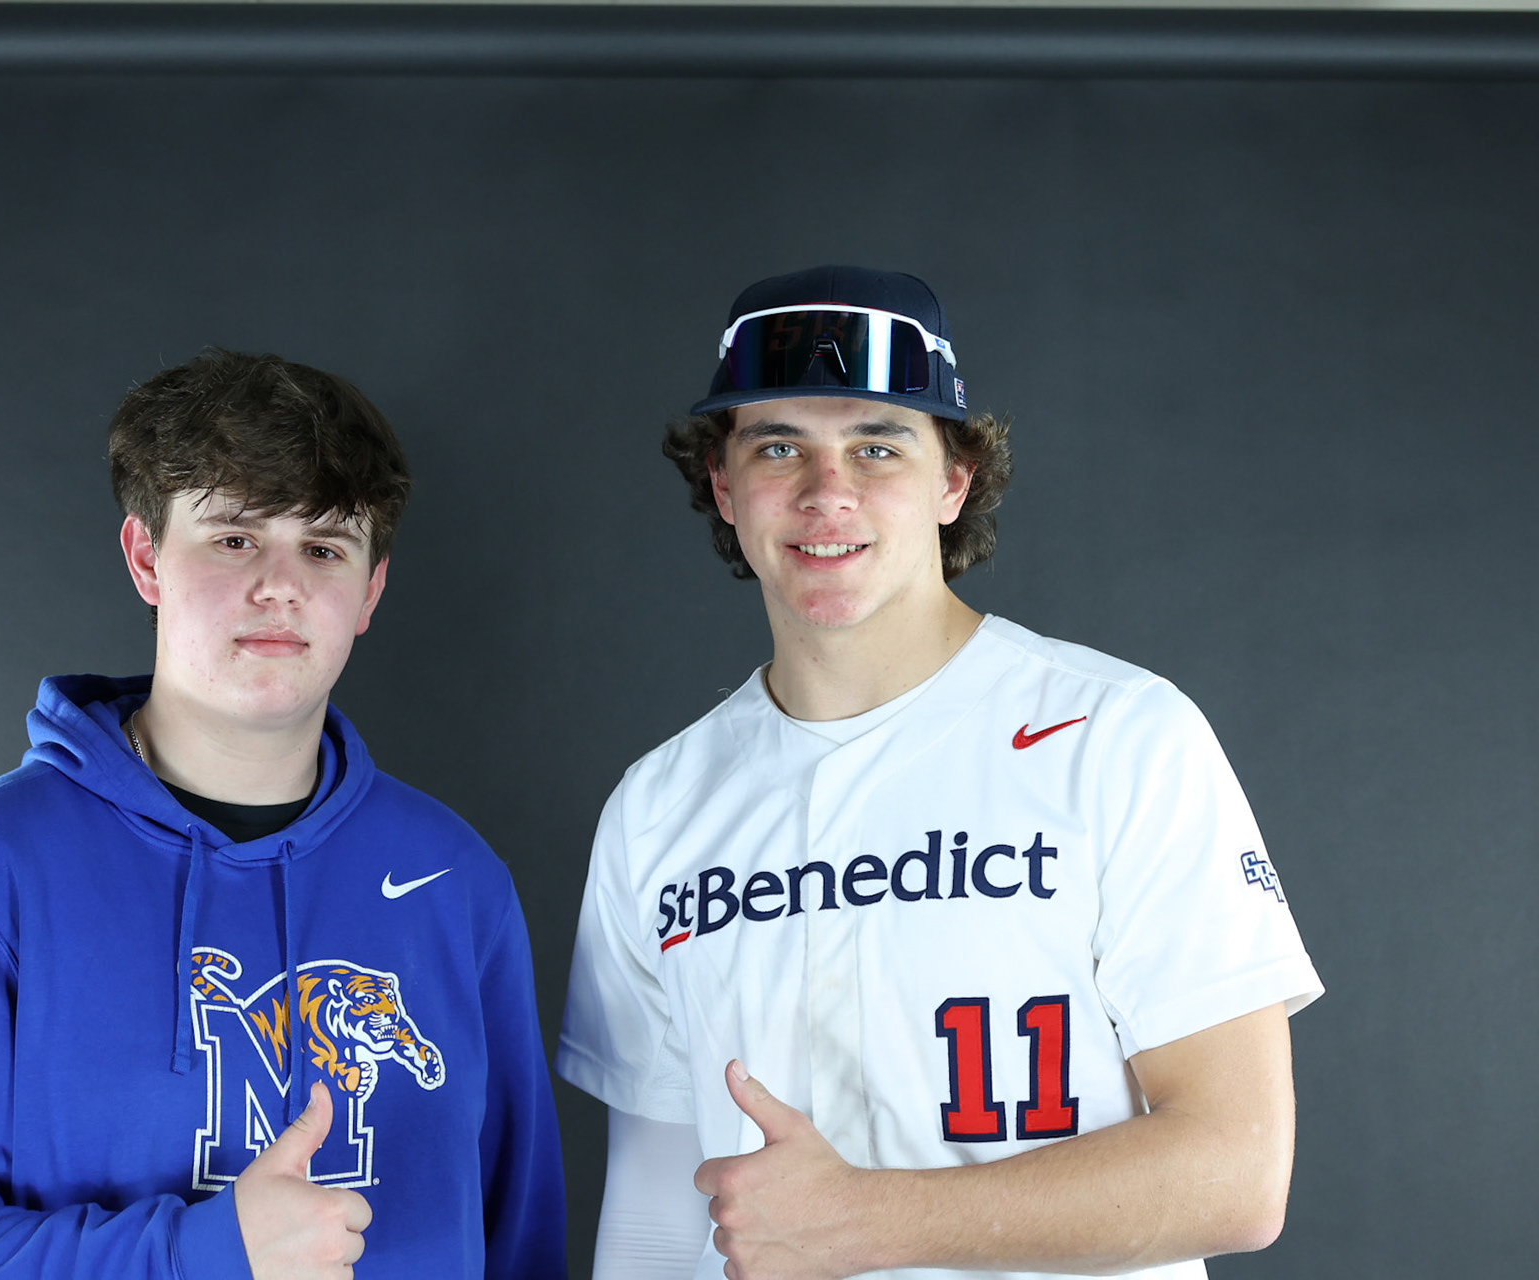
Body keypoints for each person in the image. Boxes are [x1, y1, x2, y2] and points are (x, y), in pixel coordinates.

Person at [557, 266, 1322, 1280]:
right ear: (724, 486)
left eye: (879, 445)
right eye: (778, 445)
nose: (828, 491)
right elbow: (658, 1213)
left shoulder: (1118, 735)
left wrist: (869, 1220)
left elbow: (1237, 1170)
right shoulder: (658, 806)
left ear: (953, 479)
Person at [0, 350, 566, 1279]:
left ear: (368, 592)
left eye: (323, 548)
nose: (279, 585)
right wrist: (202, 1251)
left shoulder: (456, 880)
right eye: (235, 538)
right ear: (145, 557)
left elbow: (521, 1244)